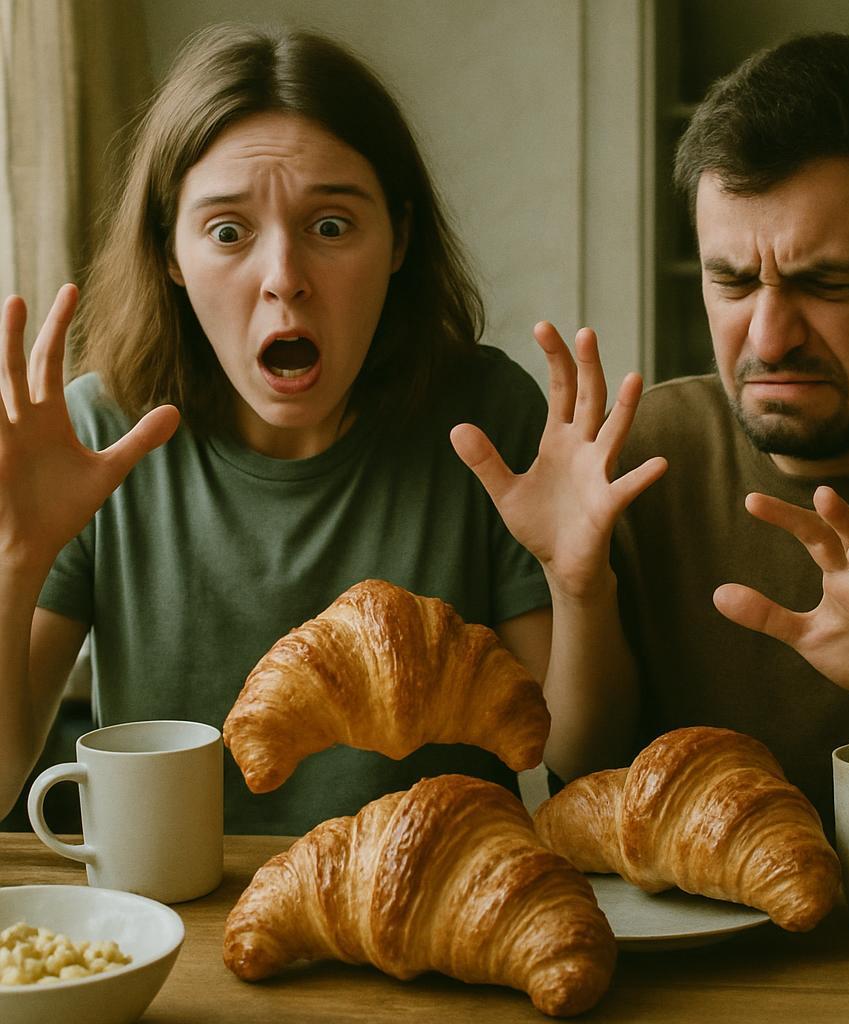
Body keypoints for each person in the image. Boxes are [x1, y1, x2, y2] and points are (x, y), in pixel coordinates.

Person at [0, 23, 656, 835]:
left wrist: (580, 584)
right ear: (170, 251)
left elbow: (585, 763)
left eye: (332, 226)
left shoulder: (485, 421)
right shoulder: (98, 436)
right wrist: (16, 559)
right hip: (181, 935)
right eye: (228, 232)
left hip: (433, 915)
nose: (284, 280)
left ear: (399, 240)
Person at [460, 30, 849, 863]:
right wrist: (578, 588)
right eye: (729, 280)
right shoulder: (645, 452)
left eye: (826, 283)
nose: (769, 336)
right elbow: (587, 776)